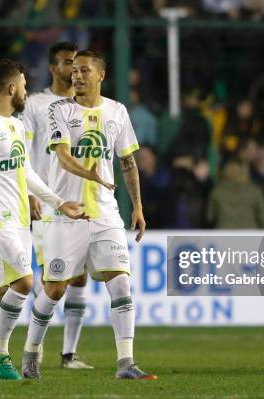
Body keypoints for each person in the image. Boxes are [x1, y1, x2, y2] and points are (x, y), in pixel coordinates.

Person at [20, 50, 157, 380]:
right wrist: (89, 174)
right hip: (66, 213)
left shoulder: (117, 111)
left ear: (100, 75)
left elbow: (127, 162)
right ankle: (31, 352)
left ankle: (126, 362)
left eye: (84, 70)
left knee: (121, 284)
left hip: (106, 214)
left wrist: (137, 206)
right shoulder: (59, 110)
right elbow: (64, 157)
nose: (77, 75)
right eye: (74, 70)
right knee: (54, 290)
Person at [0, 59, 87, 380]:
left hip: (20, 220)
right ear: (11, 88)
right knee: (24, 283)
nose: (24, 91)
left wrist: (59, 203)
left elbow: (27, 172)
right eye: (21, 85)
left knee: (0, 289)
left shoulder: (16, 125)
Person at [22, 41, 94, 369]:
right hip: (49, 205)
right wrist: (30, 193)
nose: (74, 69)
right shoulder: (36, 104)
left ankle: (69, 354)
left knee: (79, 279)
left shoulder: (89, 106)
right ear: (53, 69)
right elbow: (21, 151)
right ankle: (31, 350)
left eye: (79, 63)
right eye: (68, 63)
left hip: (83, 202)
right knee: (54, 282)